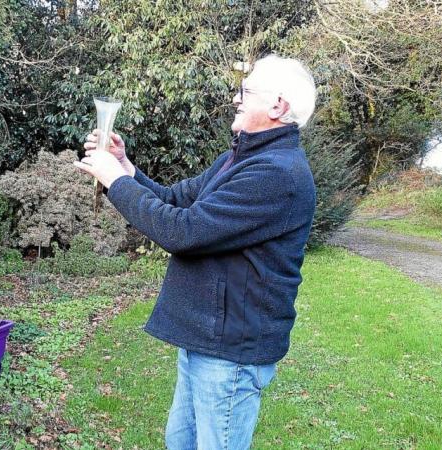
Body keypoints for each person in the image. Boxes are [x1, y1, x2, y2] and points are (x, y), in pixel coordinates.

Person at [74, 54, 317, 450]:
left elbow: (183, 231)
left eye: (246, 91)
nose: (236, 99)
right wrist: (127, 168)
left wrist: (114, 180)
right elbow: (177, 201)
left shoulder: (276, 173)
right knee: (181, 441)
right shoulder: (240, 159)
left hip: (231, 351)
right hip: (208, 340)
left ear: (278, 106)